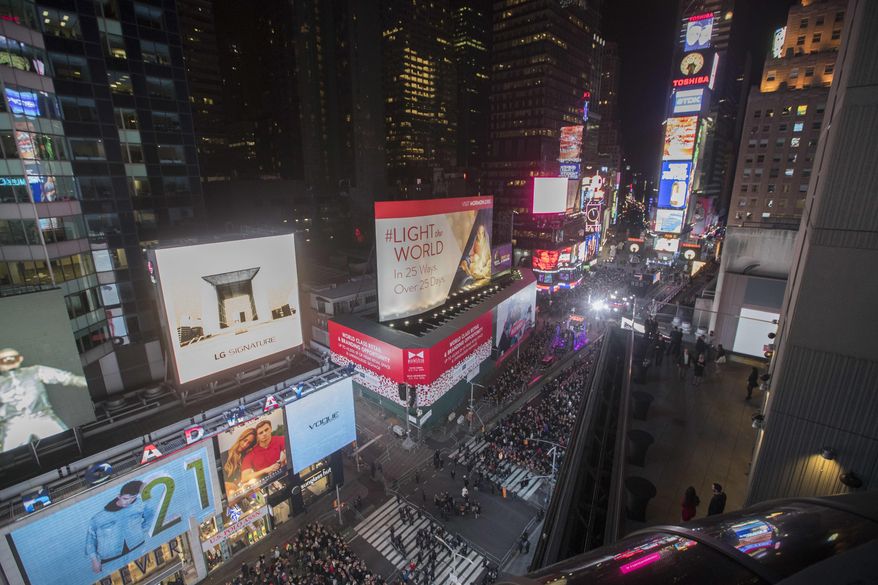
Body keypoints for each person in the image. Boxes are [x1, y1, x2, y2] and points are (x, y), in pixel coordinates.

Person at [0, 347, 89, 452]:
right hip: (14, 425)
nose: (8, 361)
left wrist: (87, 382)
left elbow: (66, 377)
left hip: (42, 417)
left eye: (12, 358)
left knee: (69, 444)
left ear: (20, 358)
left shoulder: (34, 371)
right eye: (4, 359)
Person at [86, 481, 155, 573]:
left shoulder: (138, 505)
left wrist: (142, 531)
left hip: (138, 548)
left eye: (133, 498)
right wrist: (94, 560)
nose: (129, 502)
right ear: (118, 496)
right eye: (125, 498)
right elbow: (90, 539)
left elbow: (150, 515)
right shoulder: (99, 518)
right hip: (110, 560)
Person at [222, 427, 257, 496]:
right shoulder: (224, 455)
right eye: (245, 440)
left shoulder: (246, 460)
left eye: (249, 443)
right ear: (241, 438)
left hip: (238, 495)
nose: (245, 445)